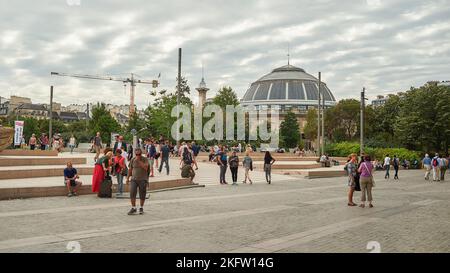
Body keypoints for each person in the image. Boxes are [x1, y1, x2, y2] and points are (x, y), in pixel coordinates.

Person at [126, 148, 149, 215]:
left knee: (142, 194)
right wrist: (127, 178)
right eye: (136, 154)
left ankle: (141, 207)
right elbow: (130, 169)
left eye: (139, 154)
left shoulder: (145, 159)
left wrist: (139, 161)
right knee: (132, 193)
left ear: (141, 153)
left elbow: (146, 168)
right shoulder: (133, 159)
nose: (137, 155)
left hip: (143, 179)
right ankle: (133, 208)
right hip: (134, 179)